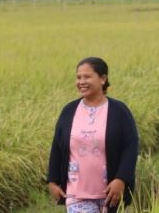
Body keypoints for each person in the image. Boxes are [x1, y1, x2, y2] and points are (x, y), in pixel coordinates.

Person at [47, 57, 139, 213]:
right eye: (78, 77)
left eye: (87, 77)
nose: (81, 81)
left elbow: (131, 146)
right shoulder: (69, 111)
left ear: (103, 79)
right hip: (76, 192)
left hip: (110, 193)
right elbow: (57, 146)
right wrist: (52, 181)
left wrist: (121, 179)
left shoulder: (119, 111)